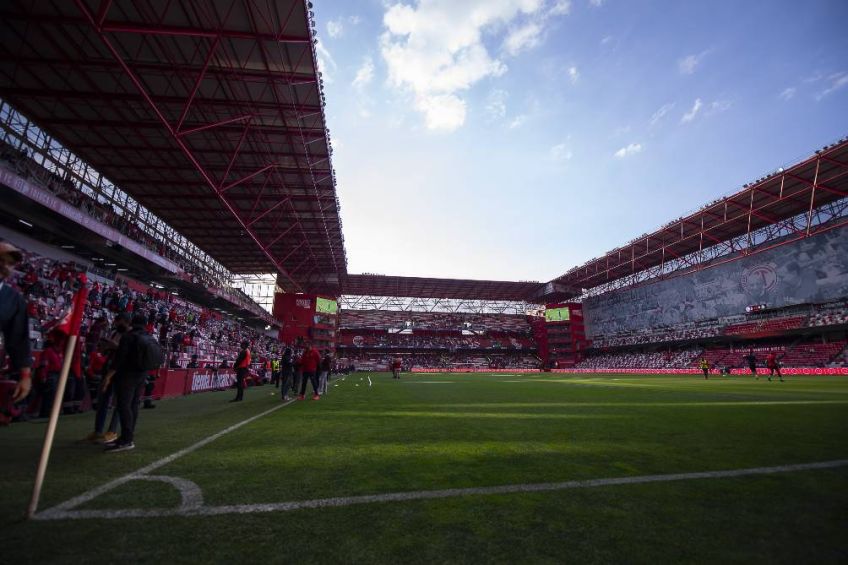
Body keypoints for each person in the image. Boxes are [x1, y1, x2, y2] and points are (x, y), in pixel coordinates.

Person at [106, 313, 154, 452]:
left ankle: (126, 439)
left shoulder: (129, 336)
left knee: (123, 405)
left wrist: (108, 376)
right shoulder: (148, 337)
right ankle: (127, 437)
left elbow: (119, 358)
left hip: (127, 375)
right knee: (133, 406)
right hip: (142, 374)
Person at [0, 242, 32, 404]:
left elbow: (18, 340)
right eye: (1, 260)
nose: (5, 266)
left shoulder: (14, 299)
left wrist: (25, 375)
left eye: (10, 263)